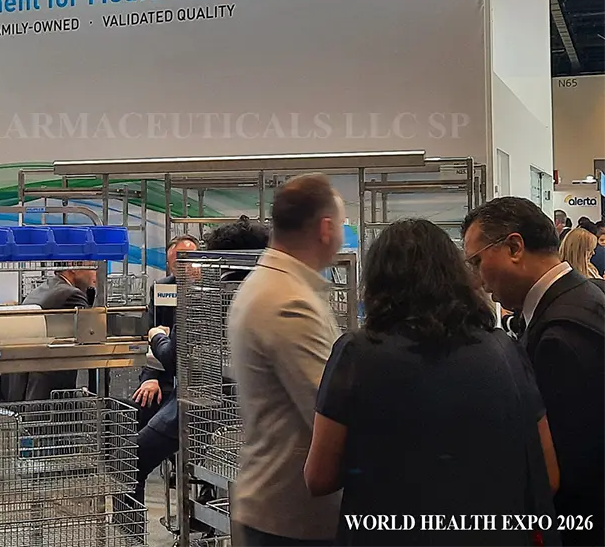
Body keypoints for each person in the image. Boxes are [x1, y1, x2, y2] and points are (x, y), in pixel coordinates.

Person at [304, 219, 559, 546]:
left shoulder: (357, 355)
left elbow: (319, 477)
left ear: (378, 283)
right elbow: (547, 475)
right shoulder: (504, 350)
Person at [463, 197, 605, 545]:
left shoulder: (561, 335)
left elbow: (568, 467)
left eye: (478, 261)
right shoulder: (581, 298)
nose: (478, 281)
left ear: (514, 247)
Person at [228, 173, 345, 547]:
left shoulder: (273, 285)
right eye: (341, 224)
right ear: (325, 229)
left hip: (280, 511)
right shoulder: (288, 302)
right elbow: (329, 409)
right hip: (292, 519)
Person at [132, 218, 269, 505]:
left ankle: (136, 529)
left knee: (129, 462)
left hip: (200, 404)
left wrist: (157, 337)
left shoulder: (204, 295)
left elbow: (174, 357)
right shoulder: (271, 292)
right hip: (256, 410)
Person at [0, 267, 98, 403]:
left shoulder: (45, 288)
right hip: (40, 392)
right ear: (73, 265)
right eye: (92, 266)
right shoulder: (71, 295)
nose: (96, 272)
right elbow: (92, 335)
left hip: (14, 386)